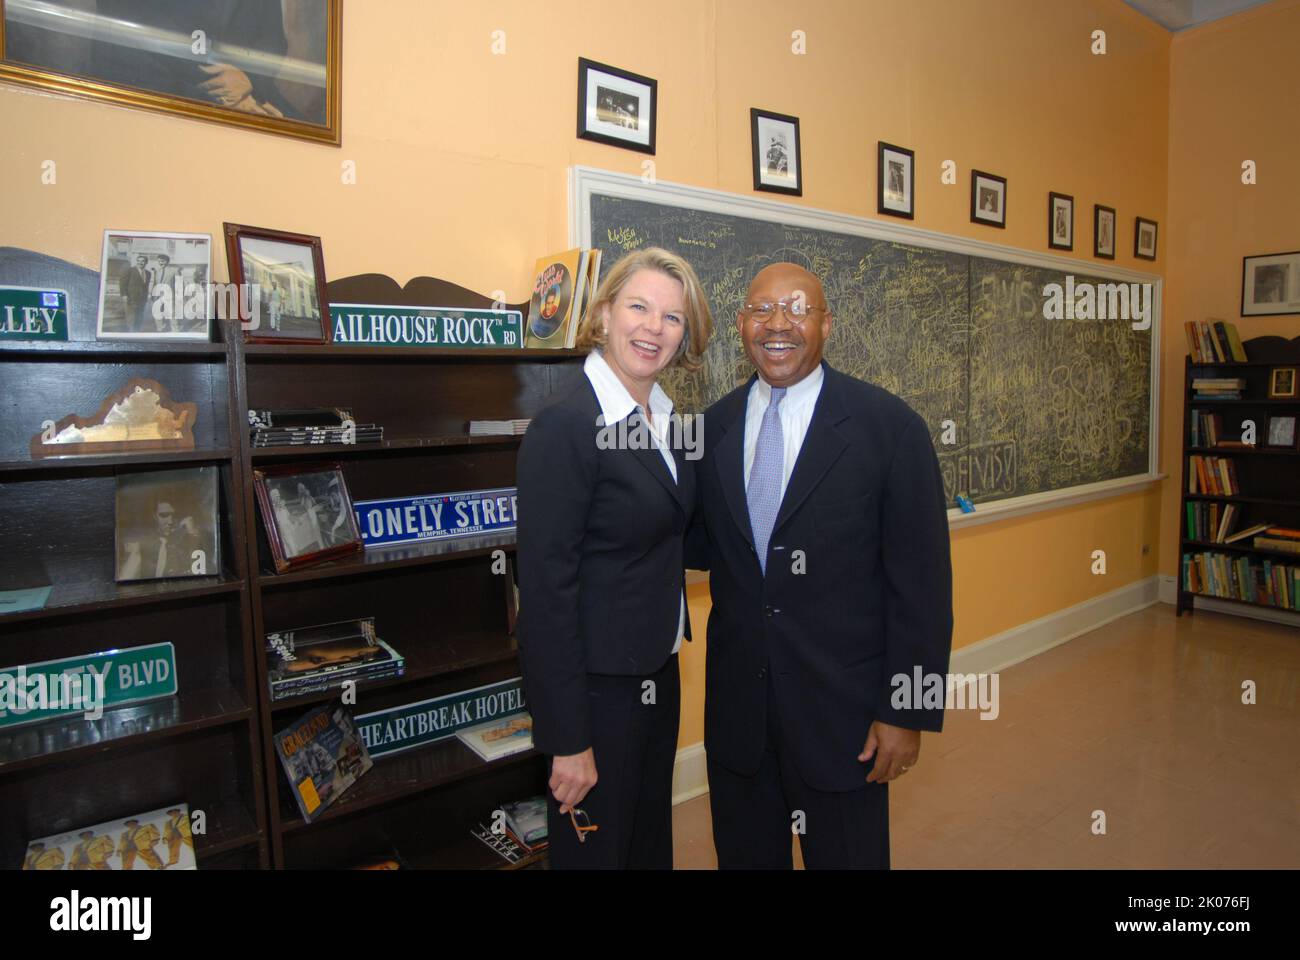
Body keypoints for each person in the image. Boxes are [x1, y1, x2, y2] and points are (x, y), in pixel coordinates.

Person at [686, 262, 952, 869]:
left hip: (846, 725)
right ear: (740, 324)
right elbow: (698, 547)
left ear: (826, 324)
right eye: (761, 309)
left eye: (798, 309)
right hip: (740, 728)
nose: (778, 324)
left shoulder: (890, 430)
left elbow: (924, 590)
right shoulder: (710, 431)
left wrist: (906, 712)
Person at [516, 246, 713, 868]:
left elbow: (673, 535)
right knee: (597, 855)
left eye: (672, 318)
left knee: (646, 846)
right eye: (639, 307)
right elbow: (546, 596)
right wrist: (568, 740)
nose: (654, 328)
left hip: (656, 674)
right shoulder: (566, 426)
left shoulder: (664, 421)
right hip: (596, 695)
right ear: (603, 315)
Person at [120, 498, 204, 580]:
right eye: (164, 515)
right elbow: (126, 577)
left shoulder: (188, 539)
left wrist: (192, 533)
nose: (170, 521)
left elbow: (200, 571)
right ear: (154, 516)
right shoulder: (143, 542)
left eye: (175, 516)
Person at [120, 253, 152, 332]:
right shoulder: (130, 270)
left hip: (142, 299)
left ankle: (137, 331)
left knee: (140, 316)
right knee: (132, 316)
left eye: (143, 261)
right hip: (131, 298)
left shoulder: (148, 273)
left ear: (146, 262)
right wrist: (124, 295)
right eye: (138, 261)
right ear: (136, 262)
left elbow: (146, 286)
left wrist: (147, 296)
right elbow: (123, 283)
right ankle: (131, 332)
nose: (140, 263)